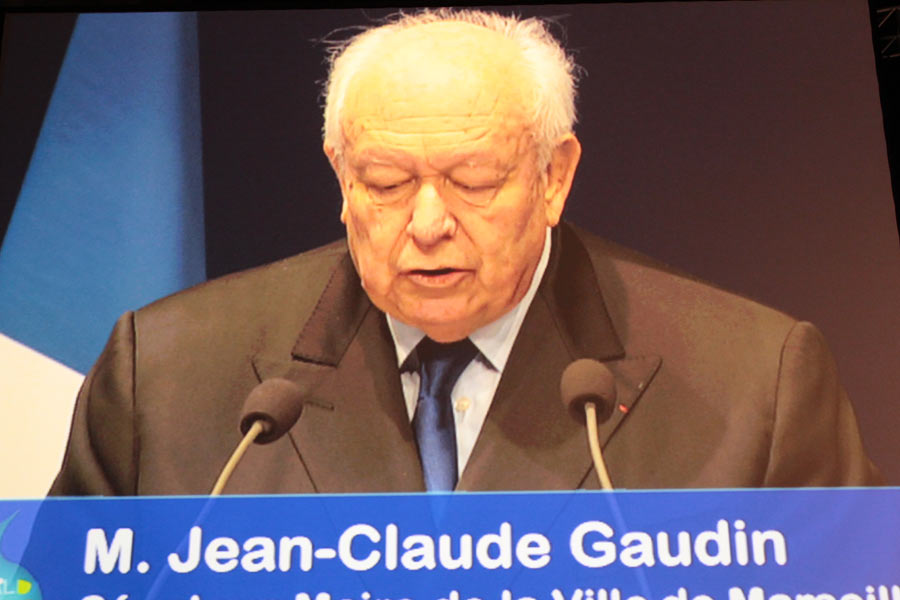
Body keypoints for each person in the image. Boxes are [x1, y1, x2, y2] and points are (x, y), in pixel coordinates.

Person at [50, 9, 880, 496]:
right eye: (384, 182)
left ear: (555, 177)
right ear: (340, 174)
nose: (427, 223)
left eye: (474, 180)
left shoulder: (755, 382)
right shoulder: (166, 374)